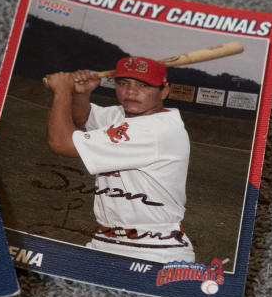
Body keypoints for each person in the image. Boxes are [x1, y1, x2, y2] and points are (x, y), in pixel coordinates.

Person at [43, 56, 194, 263]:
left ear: (164, 91)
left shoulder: (155, 130)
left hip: (155, 249)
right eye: (124, 83)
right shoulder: (126, 116)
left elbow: (61, 143)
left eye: (143, 85)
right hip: (105, 241)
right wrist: (82, 94)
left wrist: (62, 90)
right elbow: (85, 118)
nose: (131, 92)